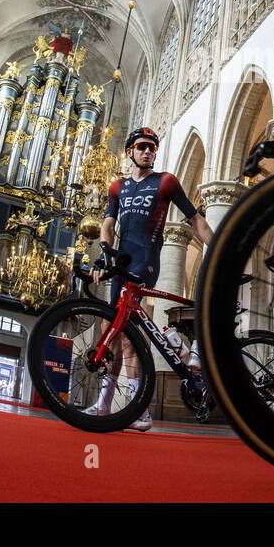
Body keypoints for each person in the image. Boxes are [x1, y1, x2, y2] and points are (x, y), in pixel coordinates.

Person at [85, 127, 214, 430]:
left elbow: (194, 218)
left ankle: (138, 410)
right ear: (130, 151)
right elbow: (108, 222)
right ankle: (105, 405)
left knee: (126, 338)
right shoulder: (118, 186)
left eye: (153, 148)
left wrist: (218, 245)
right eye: (142, 147)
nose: (148, 152)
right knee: (111, 333)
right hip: (122, 260)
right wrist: (105, 250)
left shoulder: (165, 181)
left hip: (145, 263)